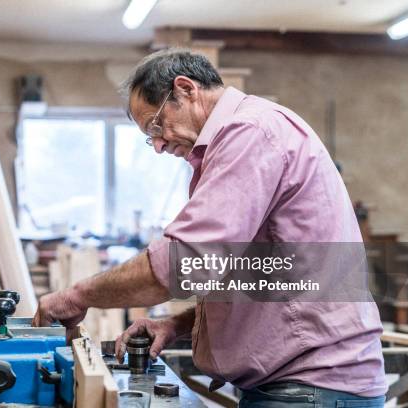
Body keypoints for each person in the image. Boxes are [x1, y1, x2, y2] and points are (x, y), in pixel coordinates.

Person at [32, 49, 386, 406]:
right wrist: (176, 327)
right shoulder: (245, 134)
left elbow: (186, 261)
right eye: (148, 136)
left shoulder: (250, 133)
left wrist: (74, 296)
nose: (157, 145)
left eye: (156, 125)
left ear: (185, 89)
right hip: (308, 384)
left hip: (312, 386)